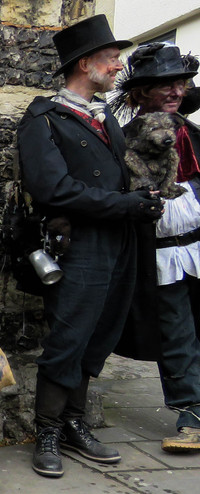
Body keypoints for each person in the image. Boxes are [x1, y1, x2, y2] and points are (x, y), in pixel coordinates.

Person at [16, 16, 163, 478]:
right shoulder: (43, 119)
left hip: (118, 243)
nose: (119, 67)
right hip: (78, 246)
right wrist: (125, 204)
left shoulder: (105, 119)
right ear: (86, 63)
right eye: (112, 58)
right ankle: (47, 432)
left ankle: (75, 423)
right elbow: (52, 189)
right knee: (68, 337)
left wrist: (146, 201)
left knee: (99, 334)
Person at [111, 44, 200, 453]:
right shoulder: (121, 141)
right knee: (176, 331)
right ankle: (192, 415)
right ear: (140, 93)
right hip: (160, 253)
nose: (174, 90)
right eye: (163, 84)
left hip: (199, 246)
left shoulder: (193, 134)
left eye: (179, 83)